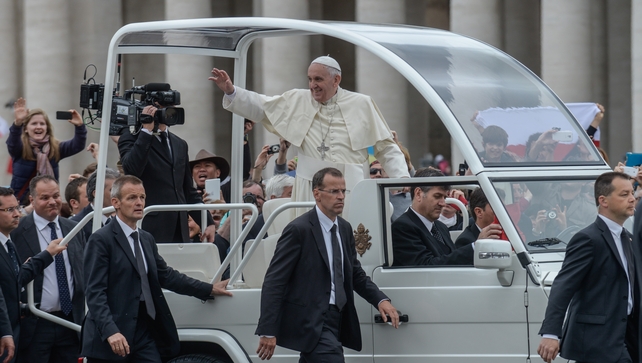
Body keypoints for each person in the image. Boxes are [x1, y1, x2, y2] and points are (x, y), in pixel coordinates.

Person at [209, 56, 409, 216]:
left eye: (318, 79)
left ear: (336, 80)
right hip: (309, 189)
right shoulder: (298, 99)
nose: (313, 85)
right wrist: (232, 91)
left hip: (350, 188)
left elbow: (386, 146)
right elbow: (262, 105)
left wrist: (401, 177)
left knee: (353, 246)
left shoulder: (362, 104)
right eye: (310, 79)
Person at [81, 175, 232, 362]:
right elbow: (95, 293)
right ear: (116, 202)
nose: (139, 203)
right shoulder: (101, 240)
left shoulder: (146, 238)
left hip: (144, 332)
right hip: (111, 337)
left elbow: (166, 276)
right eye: (132, 198)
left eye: (142, 197)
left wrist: (208, 288)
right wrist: (111, 331)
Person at [255, 167, 399, 361]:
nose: (340, 197)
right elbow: (275, 281)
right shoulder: (299, 230)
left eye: (343, 191)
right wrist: (267, 329)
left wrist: (380, 300)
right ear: (317, 194)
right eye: (334, 191)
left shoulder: (345, 228)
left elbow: (354, 272)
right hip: (312, 319)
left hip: (338, 318)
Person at [538, 172, 640, 363]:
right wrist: (551, 333)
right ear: (604, 201)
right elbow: (563, 285)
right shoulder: (588, 239)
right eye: (624, 194)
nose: (632, 199)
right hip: (597, 341)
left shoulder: (628, 238)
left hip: (627, 338)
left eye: (632, 193)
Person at [10, 175, 86, 363]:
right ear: (32, 200)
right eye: (45, 198)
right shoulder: (17, 232)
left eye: (56, 196)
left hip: (70, 322)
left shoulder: (74, 228)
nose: (53, 202)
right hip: (35, 324)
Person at [118, 105, 216, 243]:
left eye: (169, 107)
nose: (165, 111)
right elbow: (132, 170)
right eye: (159, 107)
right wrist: (146, 131)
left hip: (180, 228)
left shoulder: (180, 144)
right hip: (150, 227)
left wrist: (208, 222)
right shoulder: (133, 138)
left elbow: (187, 190)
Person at [0, 187, 66, 363]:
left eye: (17, 208)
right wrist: (5, 332)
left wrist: (47, 255)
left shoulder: (8, 243)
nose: (17, 214)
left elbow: (16, 278)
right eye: (9, 210)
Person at [6, 98, 87, 205]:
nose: (38, 127)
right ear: (25, 128)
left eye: (42, 124)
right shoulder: (20, 148)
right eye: (34, 123)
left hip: (49, 203)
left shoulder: (55, 148)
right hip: (23, 205)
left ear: (47, 128)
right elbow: (12, 142)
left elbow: (77, 145)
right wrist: (17, 123)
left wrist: (79, 126)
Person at [391, 168, 475, 266]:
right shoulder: (403, 228)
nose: (443, 203)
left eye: (444, 197)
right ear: (418, 194)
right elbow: (426, 266)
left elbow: (450, 259)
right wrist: (473, 248)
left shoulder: (441, 227)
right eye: (437, 196)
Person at [71, 168, 120, 239]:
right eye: (113, 190)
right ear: (96, 193)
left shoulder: (117, 222)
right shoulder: (78, 224)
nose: (118, 195)